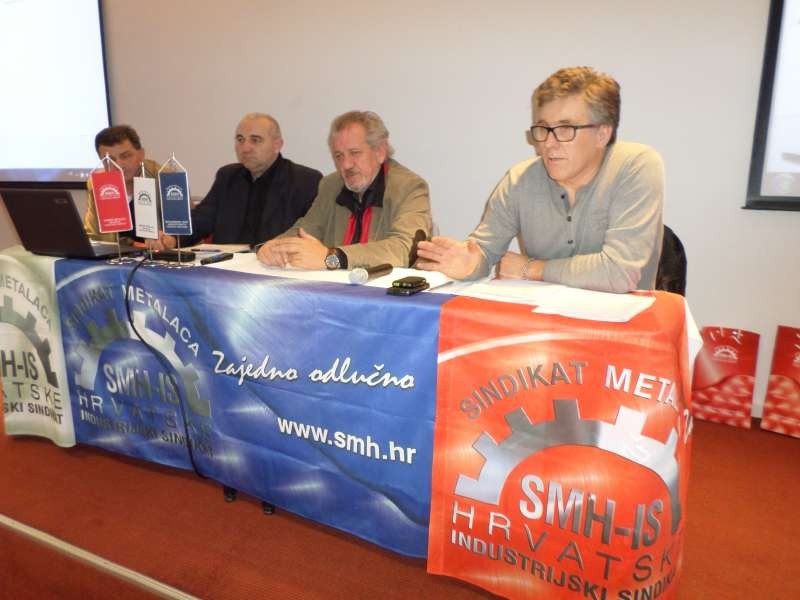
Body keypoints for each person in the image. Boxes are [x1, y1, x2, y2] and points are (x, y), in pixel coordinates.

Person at [416, 66, 664, 293]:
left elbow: (618, 274)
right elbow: (483, 250)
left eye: (565, 129)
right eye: (543, 129)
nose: (548, 143)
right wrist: (468, 263)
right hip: (543, 319)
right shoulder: (519, 180)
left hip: (624, 320)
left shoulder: (636, 165)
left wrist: (530, 268)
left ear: (602, 134)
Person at [257, 110, 432, 270]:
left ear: (379, 152)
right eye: (339, 156)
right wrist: (273, 247)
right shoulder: (331, 185)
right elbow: (306, 229)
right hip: (334, 287)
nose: (346, 165)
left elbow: (404, 249)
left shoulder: (409, 187)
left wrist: (332, 258)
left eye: (354, 153)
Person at [155, 113, 322, 249]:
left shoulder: (305, 181)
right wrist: (172, 238)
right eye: (240, 139)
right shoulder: (227, 176)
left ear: (277, 145)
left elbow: (311, 234)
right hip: (225, 268)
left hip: (274, 269)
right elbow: (200, 220)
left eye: (255, 140)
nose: (245, 148)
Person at [84, 125, 160, 243]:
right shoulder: (97, 183)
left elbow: (183, 234)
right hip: (116, 253)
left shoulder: (164, 178)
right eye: (109, 160)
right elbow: (93, 235)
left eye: (126, 156)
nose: (119, 165)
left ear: (141, 154)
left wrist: (169, 240)